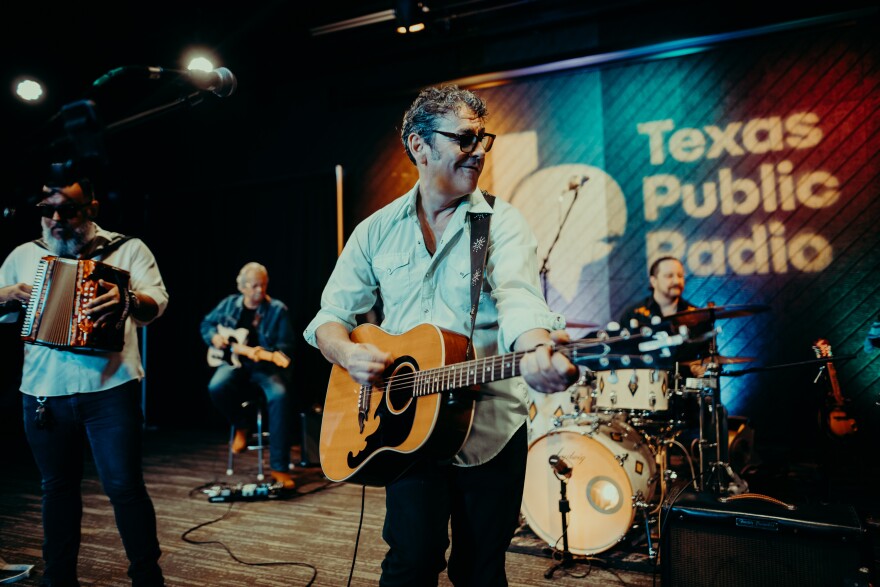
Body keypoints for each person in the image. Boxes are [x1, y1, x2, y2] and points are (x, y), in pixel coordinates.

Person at [303, 84, 578, 586]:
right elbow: (328, 317)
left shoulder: (501, 223)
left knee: (479, 570)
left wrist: (538, 350)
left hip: (490, 427)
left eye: (483, 139)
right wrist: (348, 353)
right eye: (465, 139)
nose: (478, 152)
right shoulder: (374, 231)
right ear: (419, 146)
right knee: (410, 563)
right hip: (402, 429)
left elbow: (520, 300)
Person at [0, 179, 168, 587]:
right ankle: (60, 579)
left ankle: (147, 579)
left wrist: (125, 297)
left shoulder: (128, 249)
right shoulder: (25, 255)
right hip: (43, 391)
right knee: (56, 489)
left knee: (124, 487)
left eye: (68, 211)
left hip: (111, 388)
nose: (56, 220)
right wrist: (8, 293)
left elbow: (156, 303)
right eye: (47, 209)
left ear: (91, 209)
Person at [200, 262, 296, 489]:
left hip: (264, 368)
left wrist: (265, 355)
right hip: (233, 364)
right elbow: (206, 324)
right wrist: (214, 337)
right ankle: (242, 425)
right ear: (242, 287)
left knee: (280, 396)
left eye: (263, 286)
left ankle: (279, 468)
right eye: (254, 286)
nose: (259, 291)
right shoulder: (229, 305)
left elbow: (286, 347)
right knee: (216, 386)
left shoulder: (277, 310)